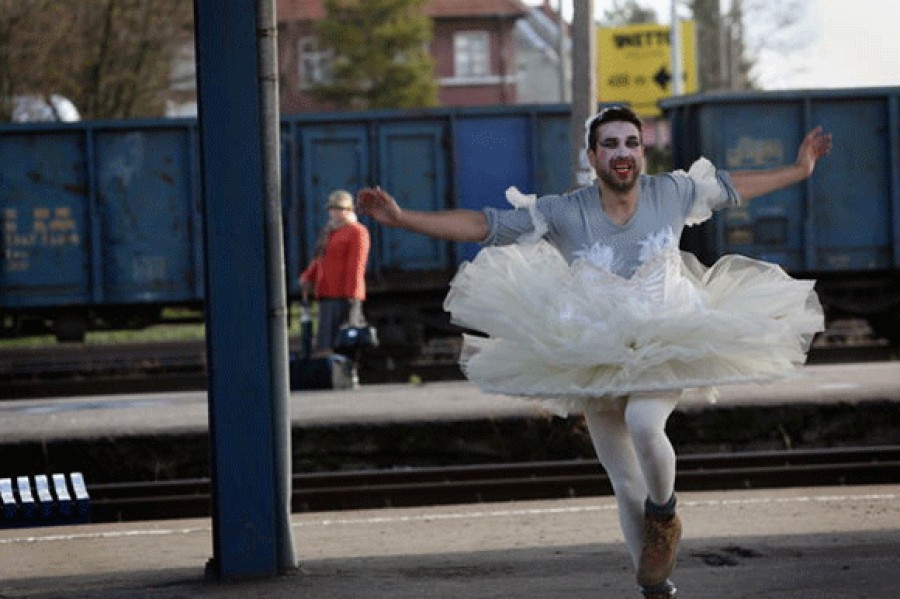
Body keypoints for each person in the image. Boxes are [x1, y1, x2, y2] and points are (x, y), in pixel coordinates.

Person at [358, 105, 832, 599]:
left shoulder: (671, 192)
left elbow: (734, 186)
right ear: (592, 156)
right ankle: (655, 587)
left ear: (642, 152)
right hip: (592, 350)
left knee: (645, 423)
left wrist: (799, 170)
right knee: (624, 481)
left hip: (666, 338)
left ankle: (665, 515)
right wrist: (403, 218)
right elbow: (484, 225)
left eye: (631, 143)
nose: (622, 153)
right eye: (610, 145)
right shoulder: (565, 212)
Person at [299, 189, 370, 357]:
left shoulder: (357, 232)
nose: (335, 213)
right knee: (326, 342)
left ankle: (347, 369)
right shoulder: (330, 231)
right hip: (328, 294)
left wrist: (352, 297)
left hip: (345, 296)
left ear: (349, 210)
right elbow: (321, 258)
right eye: (332, 209)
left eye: (340, 209)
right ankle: (331, 369)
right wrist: (308, 276)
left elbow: (356, 266)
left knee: (346, 341)